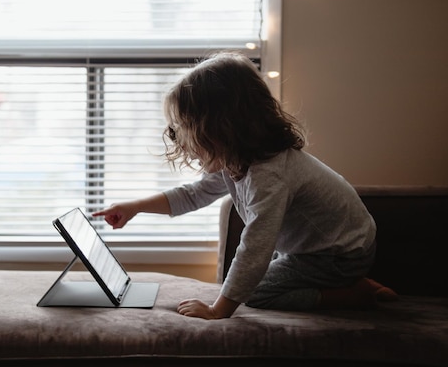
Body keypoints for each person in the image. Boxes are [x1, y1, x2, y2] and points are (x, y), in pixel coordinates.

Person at [93, 51, 397, 320]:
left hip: (339, 255)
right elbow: (193, 195)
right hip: (322, 249)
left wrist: (218, 310)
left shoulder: (269, 174)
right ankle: (347, 283)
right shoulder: (238, 159)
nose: (178, 138)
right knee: (246, 281)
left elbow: (255, 246)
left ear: (219, 128)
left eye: (184, 128)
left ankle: (350, 293)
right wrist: (134, 208)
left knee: (254, 293)